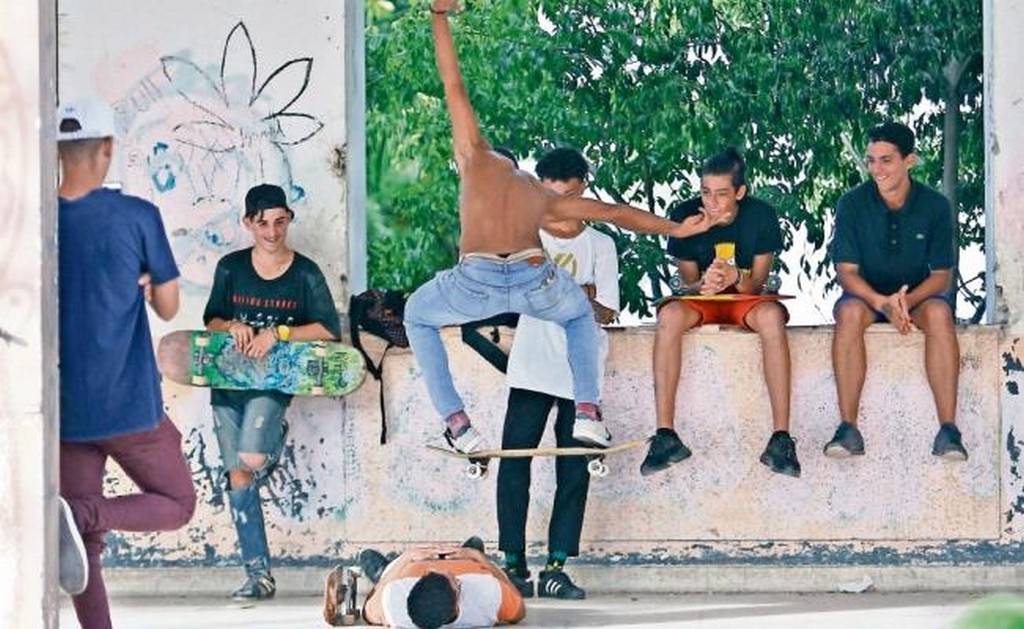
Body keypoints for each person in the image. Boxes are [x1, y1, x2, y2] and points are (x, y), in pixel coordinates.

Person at [407, 0, 725, 456]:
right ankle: (588, 412)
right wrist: (677, 229)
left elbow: (452, 84)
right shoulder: (540, 195)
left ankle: (457, 423)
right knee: (578, 316)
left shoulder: (474, 157)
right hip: (532, 277)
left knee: (417, 315)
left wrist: (438, 17)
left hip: (476, 281)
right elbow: (614, 213)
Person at [56, 96, 197, 628]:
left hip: (64, 410)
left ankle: (77, 517)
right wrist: (146, 286)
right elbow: (169, 306)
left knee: (83, 548)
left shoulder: (39, 221)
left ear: (57, 150)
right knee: (178, 502)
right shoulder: (137, 216)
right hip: (129, 404)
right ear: (108, 149)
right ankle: (83, 512)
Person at [202, 183, 342, 599]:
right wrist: (233, 326)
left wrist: (278, 333)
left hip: (274, 382)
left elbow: (328, 329)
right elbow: (212, 319)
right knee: (239, 476)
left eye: (280, 222)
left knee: (252, 457)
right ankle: (258, 576)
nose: (272, 231)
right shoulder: (230, 268)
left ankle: (273, 437)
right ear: (249, 223)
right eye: (263, 223)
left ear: (289, 220)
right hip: (228, 382)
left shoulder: (305, 273)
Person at [497, 147, 618, 600]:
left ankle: (556, 568)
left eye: (567, 197)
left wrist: (572, 296)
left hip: (580, 376)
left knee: (574, 469)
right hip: (530, 367)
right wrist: (578, 292)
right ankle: (513, 565)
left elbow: (606, 312)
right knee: (514, 464)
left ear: (584, 191)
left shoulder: (601, 245)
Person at [641, 148, 801, 478]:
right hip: (703, 301)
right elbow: (687, 284)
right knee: (669, 316)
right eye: (706, 192)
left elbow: (757, 284)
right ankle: (665, 434)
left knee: (772, 317)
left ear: (740, 192)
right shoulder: (686, 215)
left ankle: (781, 438)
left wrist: (735, 277)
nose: (712, 202)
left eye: (722, 194)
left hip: (744, 300)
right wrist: (704, 283)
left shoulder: (761, 216)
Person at [824, 121, 967, 460]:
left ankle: (948, 430)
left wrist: (903, 302)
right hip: (867, 298)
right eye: (871, 160)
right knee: (848, 311)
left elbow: (941, 276)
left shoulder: (935, 205)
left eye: (886, 160)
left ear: (909, 160)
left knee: (940, 312)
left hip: (916, 298)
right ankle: (848, 429)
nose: (877, 169)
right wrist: (881, 302)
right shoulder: (852, 204)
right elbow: (846, 272)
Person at [359, 537, 526, 628]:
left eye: (432, 574)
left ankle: (384, 567)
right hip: (468, 562)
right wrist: (477, 557)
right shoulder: (489, 595)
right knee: (475, 543)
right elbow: (518, 607)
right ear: (458, 595)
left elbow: (371, 602)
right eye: (453, 580)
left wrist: (406, 558)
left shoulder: (393, 602)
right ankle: (471, 549)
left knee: (368, 557)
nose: (444, 569)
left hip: (407, 565)